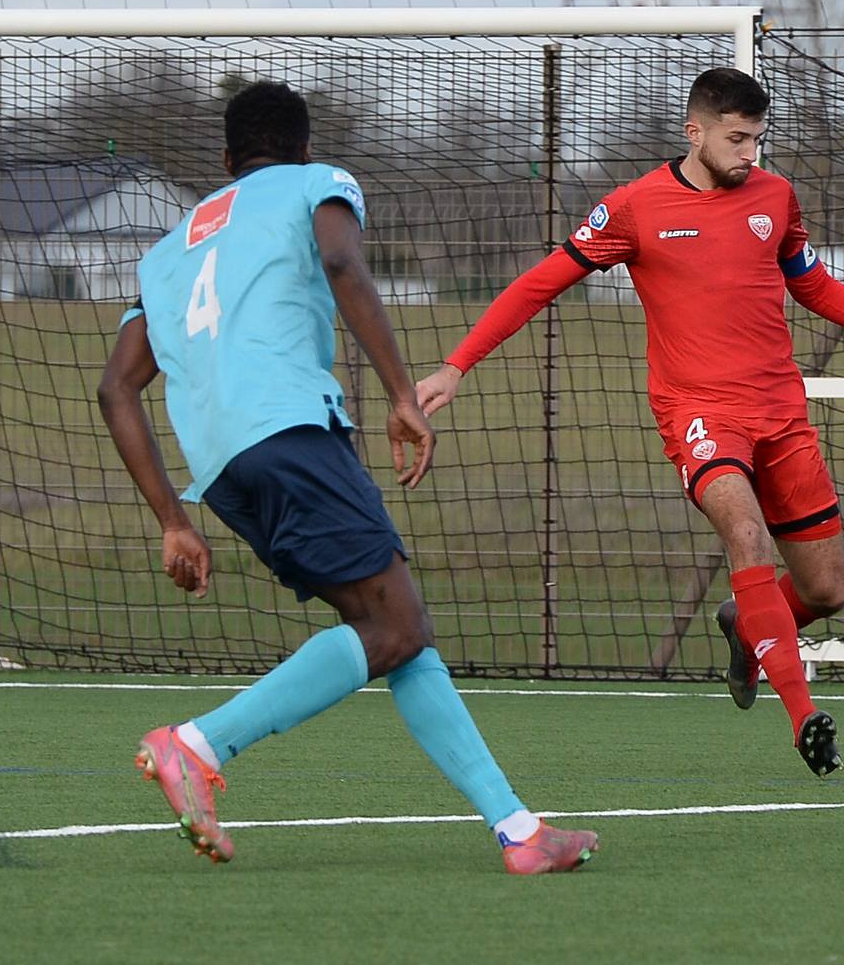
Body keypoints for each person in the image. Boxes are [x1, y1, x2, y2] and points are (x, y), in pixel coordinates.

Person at [97, 79, 597, 873]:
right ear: (304, 148)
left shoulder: (166, 252)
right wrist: (402, 394)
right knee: (396, 627)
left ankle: (517, 830)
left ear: (226, 161)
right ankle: (196, 745)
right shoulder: (317, 183)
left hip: (223, 471)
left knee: (394, 628)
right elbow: (339, 258)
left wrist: (172, 520)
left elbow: (115, 389)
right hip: (291, 433)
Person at [417, 67, 844, 778]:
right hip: (700, 414)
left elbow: (813, 284)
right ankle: (803, 717)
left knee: (827, 592)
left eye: (757, 139)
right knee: (746, 535)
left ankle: (746, 623)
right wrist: (455, 366)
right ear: (695, 131)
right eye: (737, 139)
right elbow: (537, 285)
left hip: (782, 415)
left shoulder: (775, 197)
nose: (750, 153)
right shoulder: (634, 207)